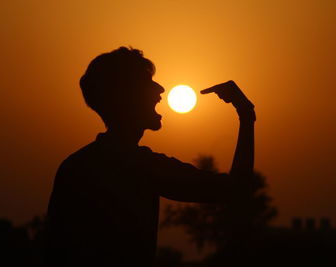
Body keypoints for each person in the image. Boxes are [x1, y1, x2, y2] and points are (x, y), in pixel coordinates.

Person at [44, 47, 256, 266]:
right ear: (127, 97)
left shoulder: (75, 167)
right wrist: (246, 115)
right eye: (148, 83)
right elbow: (236, 189)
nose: (160, 89)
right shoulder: (139, 166)